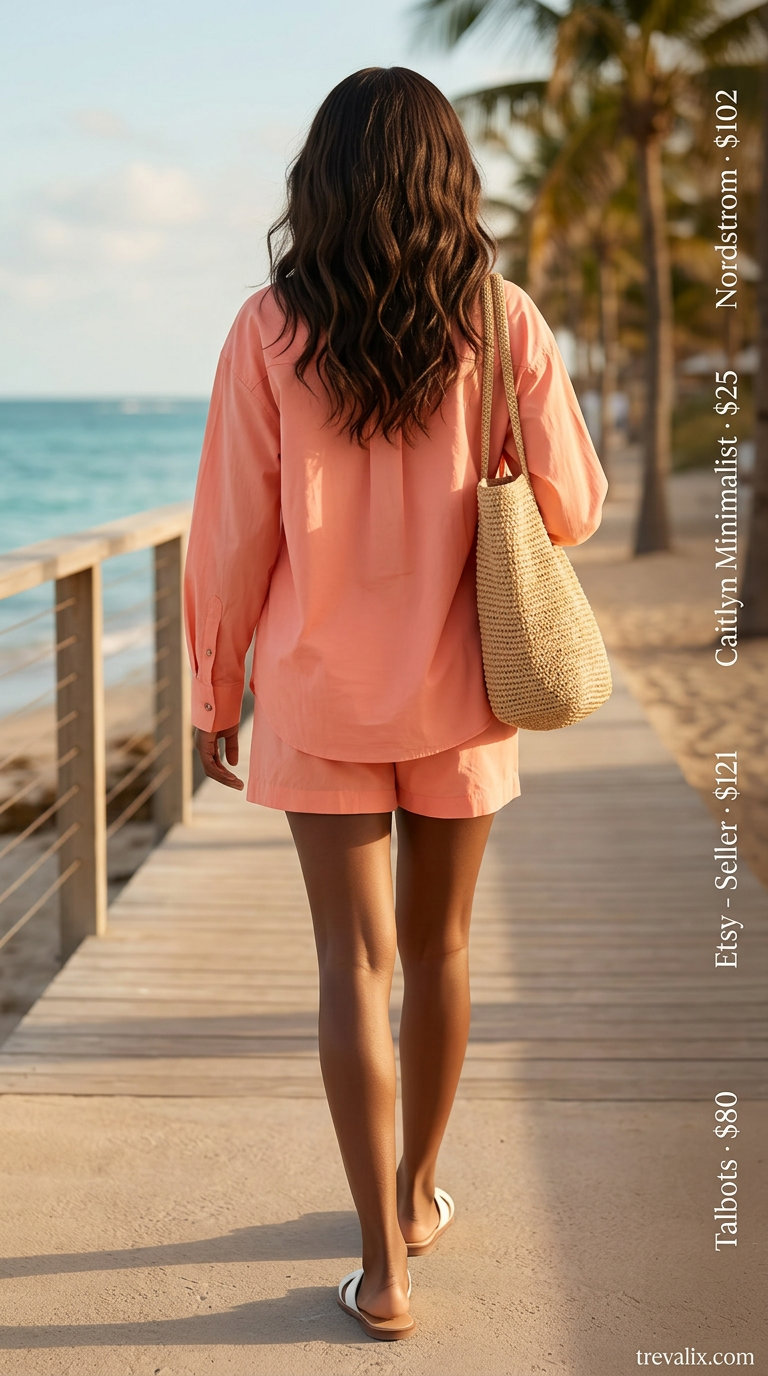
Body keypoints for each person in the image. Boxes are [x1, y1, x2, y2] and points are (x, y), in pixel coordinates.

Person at [183, 66, 608, 1342]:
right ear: (449, 178)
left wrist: (215, 684)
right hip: (466, 691)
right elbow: (576, 506)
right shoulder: (503, 317)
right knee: (441, 952)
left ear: (320, 180)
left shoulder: (267, 329)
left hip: (317, 696)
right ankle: (419, 1193)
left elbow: (231, 533)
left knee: (351, 966)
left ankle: (381, 1271)